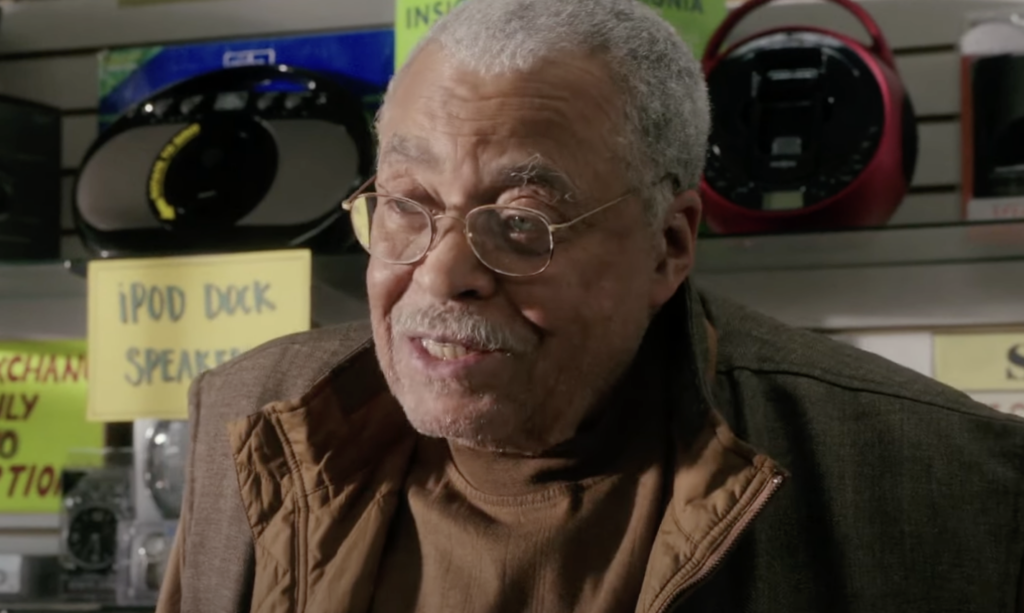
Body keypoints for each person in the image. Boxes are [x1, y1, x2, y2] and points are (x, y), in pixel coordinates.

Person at [156, 0, 1024, 610]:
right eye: (405, 206)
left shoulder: (940, 483)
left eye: (523, 223)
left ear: (670, 243)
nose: (440, 274)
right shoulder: (254, 417)